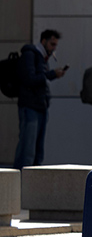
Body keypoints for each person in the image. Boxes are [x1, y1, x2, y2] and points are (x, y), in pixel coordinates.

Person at [13, 29, 65, 168]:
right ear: (44, 41)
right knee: (27, 149)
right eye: (52, 44)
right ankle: (21, 181)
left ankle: (32, 182)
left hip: (40, 106)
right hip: (30, 107)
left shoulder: (41, 57)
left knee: (37, 151)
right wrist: (51, 74)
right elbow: (30, 79)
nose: (53, 48)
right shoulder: (30, 55)